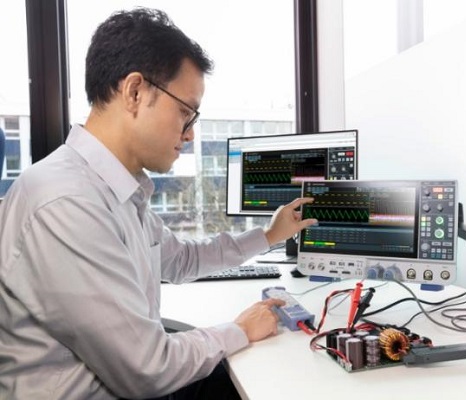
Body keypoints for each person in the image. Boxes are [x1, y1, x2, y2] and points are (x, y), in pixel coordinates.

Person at [0, 7, 317, 400]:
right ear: (135, 92)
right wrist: (239, 329)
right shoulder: (67, 202)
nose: (190, 133)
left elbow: (181, 259)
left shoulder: (115, 190)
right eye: (185, 112)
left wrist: (269, 236)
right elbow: (148, 368)